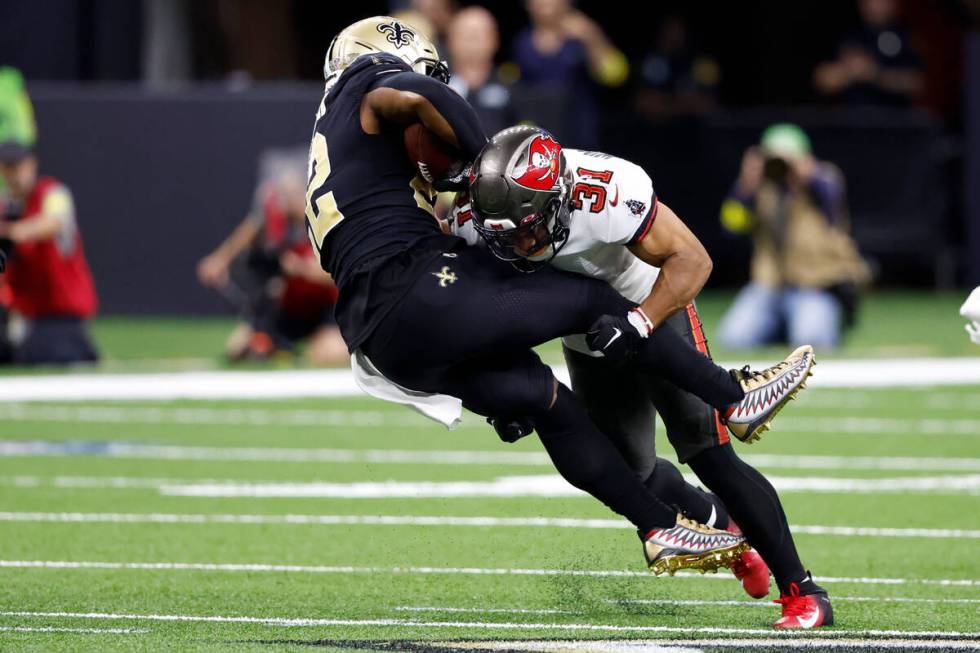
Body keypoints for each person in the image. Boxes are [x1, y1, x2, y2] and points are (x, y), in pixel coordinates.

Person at [309, 16, 812, 580]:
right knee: (592, 302)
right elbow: (423, 96)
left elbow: (691, 257)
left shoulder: (333, 140)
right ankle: (731, 394)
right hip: (417, 284)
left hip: (378, 336)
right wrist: (479, 163)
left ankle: (657, 527)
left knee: (543, 397)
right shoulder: (372, 83)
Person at [458, 125, 832, 629]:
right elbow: (483, 310)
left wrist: (640, 322)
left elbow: (693, 259)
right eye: (505, 233)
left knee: (709, 450)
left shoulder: (608, 189)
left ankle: (804, 593)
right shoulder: (472, 219)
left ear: (559, 198)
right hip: (583, 335)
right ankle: (726, 530)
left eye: (526, 227)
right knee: (628, 471)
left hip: (652, 306)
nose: (519, 244)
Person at [718, 123, 871, 350]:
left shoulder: (824, 178)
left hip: (814, 285)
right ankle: (779, 329)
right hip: (769, 286)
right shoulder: (760, 188)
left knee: (812, 341)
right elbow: (732, 225)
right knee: (733, 339)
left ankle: (820, 322)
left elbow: (832, 205)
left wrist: (805, 175)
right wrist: (745, 186)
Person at [197, 148, 347, 365]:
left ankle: (295, 348)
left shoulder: (326, 220)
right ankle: (277, 344)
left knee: (329, 354)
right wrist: (219, 260)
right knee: (238, 347)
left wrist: (302, 269)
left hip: (323, 309)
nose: (285, 202)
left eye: (291, 194)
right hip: (288, 309)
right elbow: (250, 229)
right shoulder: (277, 221)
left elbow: (338, 276)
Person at [0, 142, 99, 365]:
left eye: (17, 167)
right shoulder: (5, 204)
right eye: (7, 168)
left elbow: (52, 222)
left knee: (44, 353)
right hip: (23, 311)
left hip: (60, 313)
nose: (13, 175)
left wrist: (13, 231)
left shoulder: (53, 194)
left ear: (31, 165)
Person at [511, 0, 627, 148]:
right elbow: (519, 93)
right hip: (541, 143)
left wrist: (592, 37)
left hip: (581, 136)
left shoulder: (583, 35)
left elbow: (615, 77)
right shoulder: (522, 42)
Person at [813, 0, 923, 106]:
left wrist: (875, 75)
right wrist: (849, 71)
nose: (873, 4)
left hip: (894, 119)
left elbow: (917, 84)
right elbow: (822, 81)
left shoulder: (907, 36)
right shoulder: (849, 34)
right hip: (851, 118)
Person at [446, 7, 517, 138]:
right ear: (450, 40)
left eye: (478, 34)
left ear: (495, 40)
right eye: (465, 34)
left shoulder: (511, 85)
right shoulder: (437, 85)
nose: (472, 41)